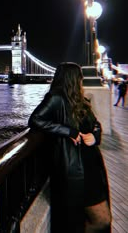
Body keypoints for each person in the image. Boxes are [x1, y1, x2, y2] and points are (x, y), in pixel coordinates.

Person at [28, 62, 111, 233]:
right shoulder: (55, 98)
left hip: (91, 167)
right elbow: (35, 119)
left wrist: (94, 137)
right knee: (101, 219)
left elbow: (95, 124)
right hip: (75, 170)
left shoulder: (81, 100)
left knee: (99, 219)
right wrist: (68, 131)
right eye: (80, 77)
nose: (82, 80)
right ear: (72, 78)